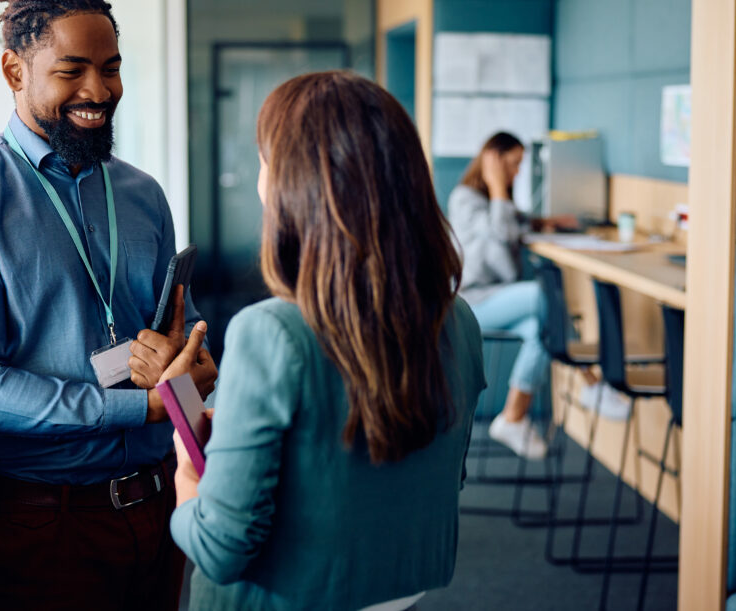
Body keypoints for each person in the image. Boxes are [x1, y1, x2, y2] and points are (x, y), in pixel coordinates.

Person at [0, 0, 215, 610]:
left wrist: (194, 367)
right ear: (14, 71)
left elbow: (173, 335)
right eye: (72, 69)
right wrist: (144, 408)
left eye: (111, 68)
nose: (98, 91)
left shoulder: (141, 194)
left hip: (158, 503)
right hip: (44, 520)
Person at [137, 71, 487, 611]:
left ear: (289, 185)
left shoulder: (271, 332)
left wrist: (189, 461)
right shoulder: (459, 319)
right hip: (399, 590)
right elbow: (428, 477)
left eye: (263, 161)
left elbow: (218, 548)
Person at [447, 132, 581, 459]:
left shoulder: (490, 203)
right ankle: (590, 378)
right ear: (492, 160)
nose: (518, 173)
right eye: (513, 164)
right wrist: (495, 186)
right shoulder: (465, 199)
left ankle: (513, 417)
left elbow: (512, 223)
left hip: (495, 297)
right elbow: (501, 248)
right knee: (542, 296)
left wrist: (543, 222)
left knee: (542, 330)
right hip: (472, 302)